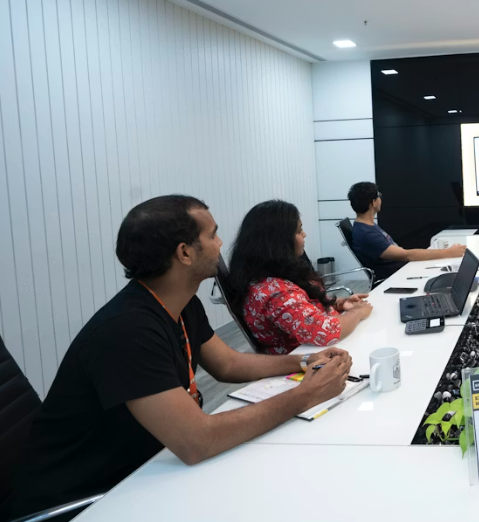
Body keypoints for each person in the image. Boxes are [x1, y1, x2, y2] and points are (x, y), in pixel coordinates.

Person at [9, 196, 353, 520]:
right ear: (185, 253)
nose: (221, 244)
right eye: (213, 234)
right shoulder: (127, 331)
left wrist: (303, 362)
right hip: (89, 498)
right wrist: (305, 395)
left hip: (150, 466)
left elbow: (228, 364)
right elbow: (196, 441)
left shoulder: (181, 302)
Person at [228, 200, 373, 355]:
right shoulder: (274, 293)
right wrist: (357, 312)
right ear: (278, 242)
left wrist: (338, 303)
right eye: (299, 231)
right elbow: (326, 332)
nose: (304, 234)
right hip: (304, 364)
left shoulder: (276, 273)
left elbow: (302, 307)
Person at [348, 182, 466, 281]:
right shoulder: (367, 234)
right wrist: (449, 252)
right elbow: (406, 255)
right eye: (378, 195)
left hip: (404, 270)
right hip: (398, 277)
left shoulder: (367, 226)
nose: (380, 199)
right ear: (373, 202)